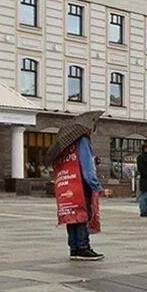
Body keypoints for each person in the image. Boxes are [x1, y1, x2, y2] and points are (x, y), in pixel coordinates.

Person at [49, 110, 106, 261]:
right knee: (81, 213)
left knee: (71, 213)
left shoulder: (66, 145)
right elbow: (86, 166)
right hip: (81, 184)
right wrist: (96, 185)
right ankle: (82, 247)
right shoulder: (83, 141)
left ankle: (74, 247)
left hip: (67, 184)